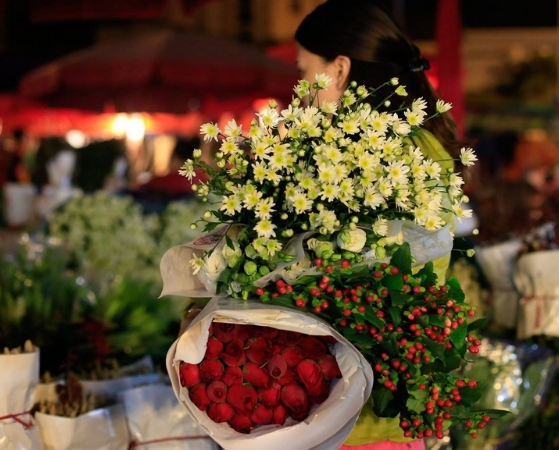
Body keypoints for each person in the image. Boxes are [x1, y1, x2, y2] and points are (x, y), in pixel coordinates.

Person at [182, 2, 460, 449]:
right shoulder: (421, 141)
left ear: (340, 69)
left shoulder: (373, 154)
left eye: (303, 71)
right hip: (387, 409)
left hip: (353, 417)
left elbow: (337, 276)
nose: (300, 93)